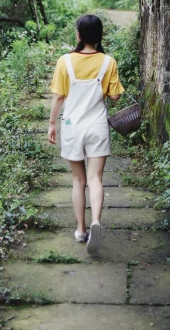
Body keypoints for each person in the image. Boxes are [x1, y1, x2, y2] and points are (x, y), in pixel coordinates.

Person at [48, 14, 124, 255]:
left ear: (78, 35)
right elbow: (114, 97)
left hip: (72, 126)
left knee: (78, 180)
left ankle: (81, 230)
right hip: (97, 126)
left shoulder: (65, 62)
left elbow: (59, 96)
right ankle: (96, 222)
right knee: (95, 179)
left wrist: (51, 123)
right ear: (100, 36)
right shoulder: (108, 62)